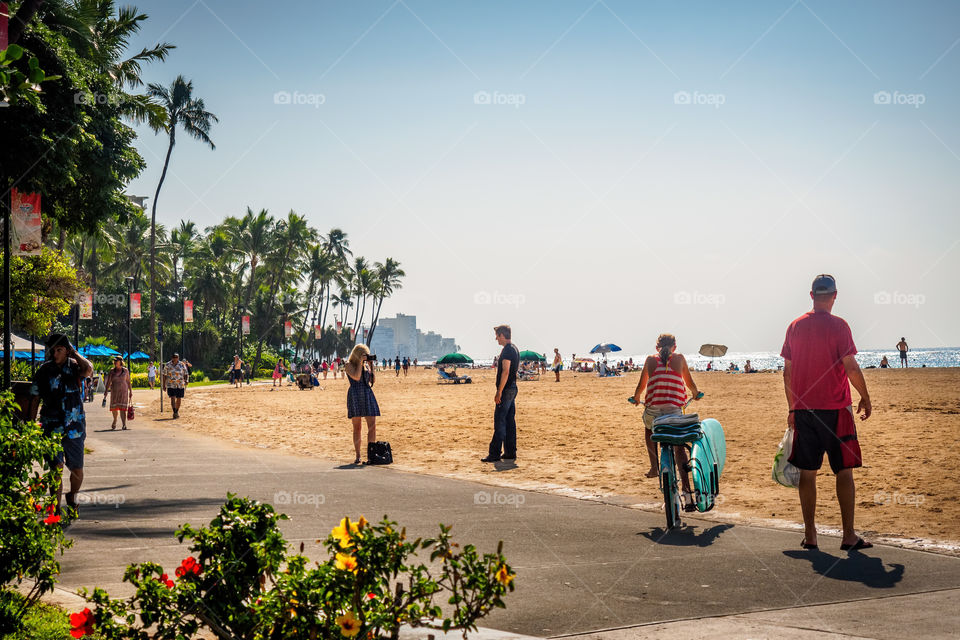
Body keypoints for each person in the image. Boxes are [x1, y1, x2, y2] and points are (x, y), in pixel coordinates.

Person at [781, 274, 872, 552]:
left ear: (811, 295)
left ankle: (810, 535)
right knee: (844, 472)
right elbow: (851, 367)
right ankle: (848, 536)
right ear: (834, 295)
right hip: (835, 410)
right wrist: (865, 397)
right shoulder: (839, 325)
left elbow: (788, 372)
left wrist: (792, 407)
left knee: (808, 474)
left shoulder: (795, 326)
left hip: (804, 410)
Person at [631, 334, 701, 510]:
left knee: (648, 429)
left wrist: (636, 398)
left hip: (654, 411)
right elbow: (690, 383)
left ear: (657, 348)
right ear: (674, 347)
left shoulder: (650, 360)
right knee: (679, 447)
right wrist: (695, 394)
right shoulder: (679, 359)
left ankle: (654, 466)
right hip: (674, 411)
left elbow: (641, 386)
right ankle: (687, 493)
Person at [30, 334, 93, 516]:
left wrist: (74, 352)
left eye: (59, 350)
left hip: (74, 426)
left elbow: (89, 369)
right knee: (55, 468)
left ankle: (72, 496)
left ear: (66, 351)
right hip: (51, 425)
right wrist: (31, 423)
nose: (55, 354)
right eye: (53, 350)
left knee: (77, 470)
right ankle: (55, 510)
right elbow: (35, 398)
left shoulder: (75, 367)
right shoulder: (43, 371)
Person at [482, 325, 520, 463]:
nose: (496, 339)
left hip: (506, 390)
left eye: (497, 336)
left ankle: (494, 453)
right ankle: (510, 452)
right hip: (512, 388)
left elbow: (506, 371)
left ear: (502, 335)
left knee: (500, 420)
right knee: (510, 421)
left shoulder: (508, 350)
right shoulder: (514, 349)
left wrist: (499, 391)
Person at [345, 344, 380, 465]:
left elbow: (372, 381)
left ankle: (371, 454)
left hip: (366, 393)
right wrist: (360, 362)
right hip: (355, 394)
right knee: (357, 427)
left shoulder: (366, 366)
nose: (366, 357)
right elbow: (356, 376)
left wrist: (371, 366)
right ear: (358, 354)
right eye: (364, 354)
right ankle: (358, 455)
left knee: (372, 425)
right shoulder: (348, 365)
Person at [103, 356, 133, 430]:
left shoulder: (125, 371)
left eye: (117, 361)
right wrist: (106, 391)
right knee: (114, 408)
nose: (115, 362)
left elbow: (128, 381)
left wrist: (131, 391)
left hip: (123, 392)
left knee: (123, 409)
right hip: (114, 391)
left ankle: (124, 424)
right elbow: (108, 382)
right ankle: (115, 420)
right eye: (115, 361)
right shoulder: (112, 371)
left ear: (121, 362)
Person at [162, 353, 190, 419]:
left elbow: (186, 373)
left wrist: (186, 380)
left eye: (177, 357)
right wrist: (164, 385)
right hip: (171, 384)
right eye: (174, 357)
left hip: (180, 384)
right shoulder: (167, 365)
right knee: (172, 397)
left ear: (178, 358)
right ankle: (174, 411)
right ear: (172, 358)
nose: (175, 358)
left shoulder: (182, 364)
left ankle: (177, 411)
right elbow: (164, 375)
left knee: (179, 398)